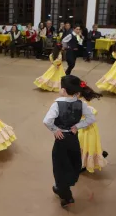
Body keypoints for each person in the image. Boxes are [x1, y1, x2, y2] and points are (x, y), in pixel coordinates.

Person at [43, 75, 95, 208]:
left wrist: (55, 130)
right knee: (72, 162)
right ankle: (64, 186)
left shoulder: (57, 104)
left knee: (60, 165)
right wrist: (77, 126)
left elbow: (47, 121)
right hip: (73, 138)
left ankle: (65, 194)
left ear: (64, 90)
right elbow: (90, 118)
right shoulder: (81, 103)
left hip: (61, 139)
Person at [78, 83, 108, 173]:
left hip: (85, 129)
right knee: (87, 145)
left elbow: (91, 114)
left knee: (83, 145)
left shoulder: (81, 103)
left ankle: (82, 164)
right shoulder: (81, 100)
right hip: (86, 128)